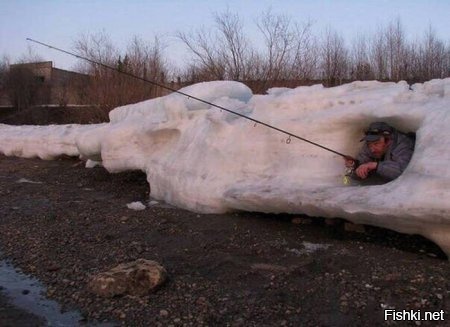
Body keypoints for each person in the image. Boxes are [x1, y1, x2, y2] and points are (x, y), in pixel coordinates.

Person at [344, 122, 415, 184]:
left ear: (388, 141)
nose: (372, 149)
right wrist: (354, 165)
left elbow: (403, 171)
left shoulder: (403, 145)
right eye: (369, 144)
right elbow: (362, 162)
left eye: (376, 144)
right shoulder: (370, 145)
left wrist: (376, 165)